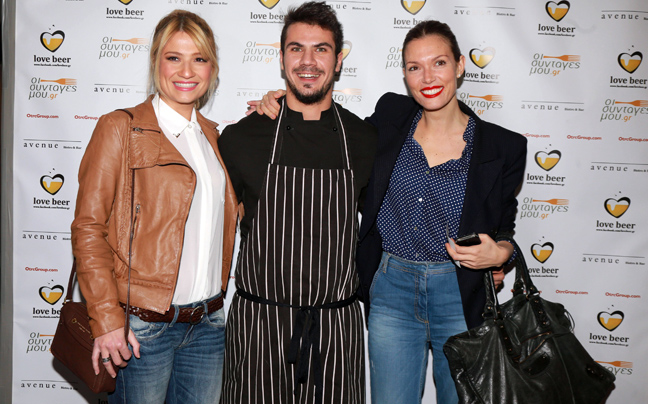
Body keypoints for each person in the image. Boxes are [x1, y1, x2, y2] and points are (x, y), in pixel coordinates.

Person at [253, 20, 526, 404]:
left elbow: (505, 228)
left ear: (460, 65)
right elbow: (332, 134)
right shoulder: (390, 117)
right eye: (415, 67)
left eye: (439, 63)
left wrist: (500, 254)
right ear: (404, 74)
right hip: (392, 290)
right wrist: (286, 104)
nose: (427, 77)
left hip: (459, 292)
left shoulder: (502, 147)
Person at [70, 10, 237, 404]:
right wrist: (106, 317)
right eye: (173, 57)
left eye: (199, 58)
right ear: (155, 62)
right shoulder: (120, 127)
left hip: (209, 325)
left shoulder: (217, 139)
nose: (186, 71)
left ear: (212, 69)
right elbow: (89, 227)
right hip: (141, 329)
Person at [218, 2, 376, 403]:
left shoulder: (365, 140)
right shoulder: (240, 138)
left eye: (321, 49)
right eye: (296, 49)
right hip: (259, 326)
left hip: (335, 330)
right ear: (282, 58)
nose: (308, 62)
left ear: (338, 61)